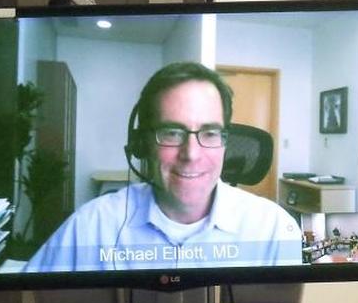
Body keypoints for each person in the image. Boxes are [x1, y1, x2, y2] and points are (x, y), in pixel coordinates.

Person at [24, 62, 301, 272]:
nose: (191, 154)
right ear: (142, 144)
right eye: (171, 133)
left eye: (210, 132)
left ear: (225, 142)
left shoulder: (274, 230)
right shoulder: (91, 225)